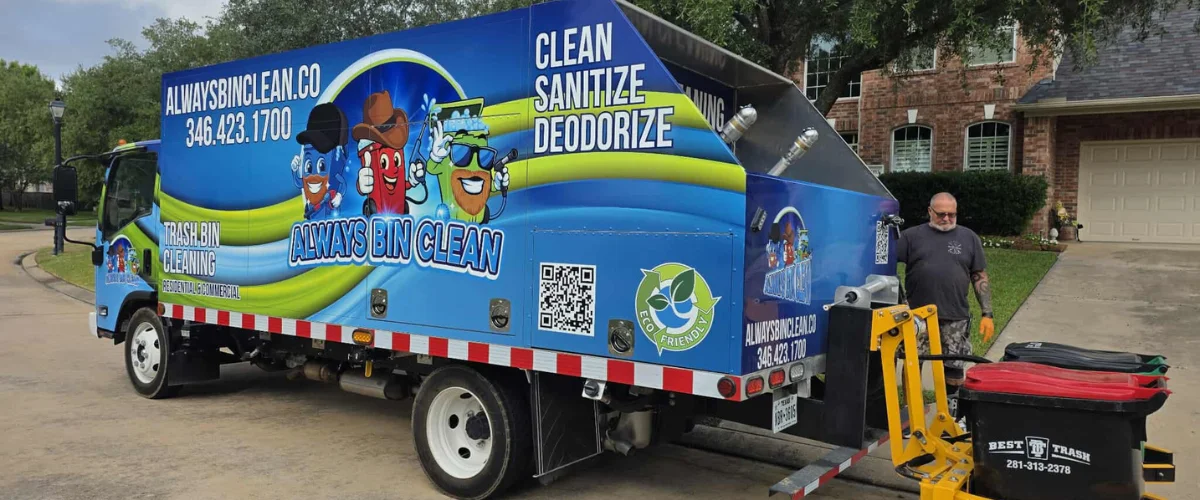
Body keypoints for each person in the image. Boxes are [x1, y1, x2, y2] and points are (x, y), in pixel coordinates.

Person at [896, 192, 994, 417]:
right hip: (917, 316)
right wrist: (900, 301)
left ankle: (951, 412)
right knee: (913, 362)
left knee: (954, 365)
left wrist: (987, 313)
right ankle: (913, 412)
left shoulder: (969, 237)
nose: (947, 219)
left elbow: (979, 275)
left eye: (952, 214)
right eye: (941, 214)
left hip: (955, 315)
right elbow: (886, 265)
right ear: (930, 211)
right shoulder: (911, 236)